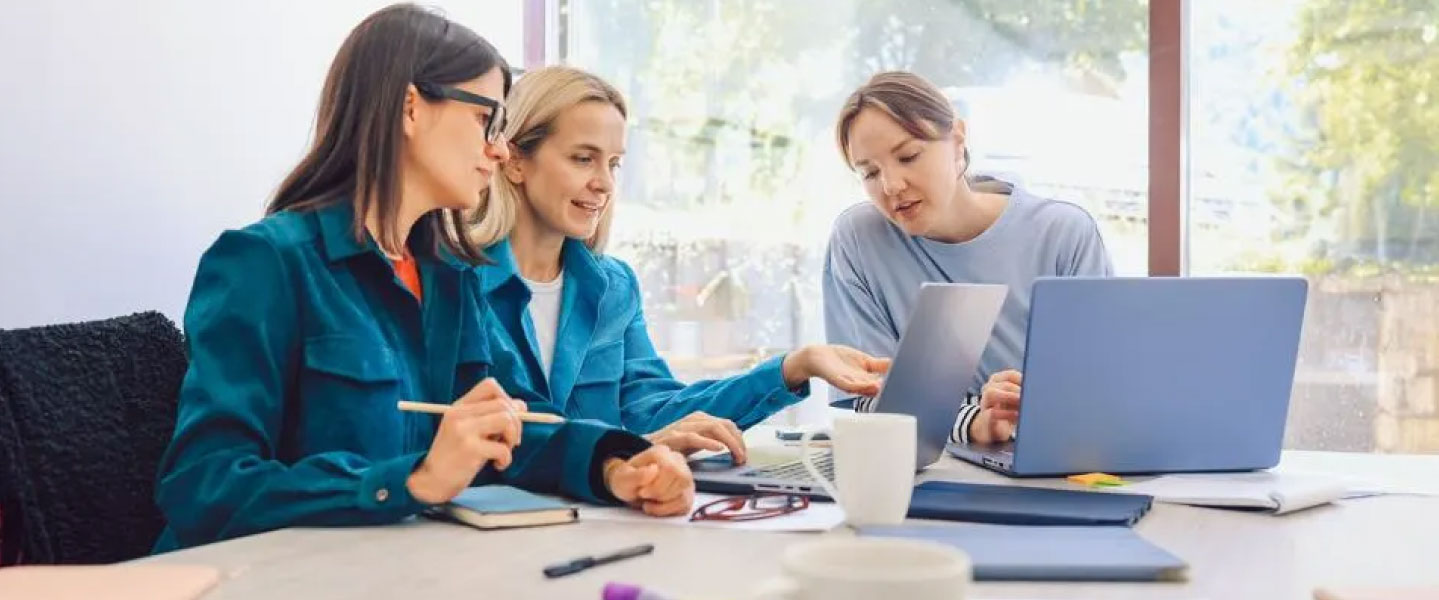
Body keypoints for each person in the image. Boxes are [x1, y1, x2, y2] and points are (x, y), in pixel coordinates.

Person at [153, 4, 692, 552]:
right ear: (411, 107)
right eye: (486, 119)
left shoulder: (450, 278)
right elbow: (203, 486)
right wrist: (411, 482)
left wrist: (616, 465)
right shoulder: (263, 264)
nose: (499, 150)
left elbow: (515, 425)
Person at [470, 66, 890, 463]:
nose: (605, 182)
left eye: (613, 163)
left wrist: (794, 366)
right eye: (583, 158)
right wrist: (626, 453)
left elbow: (657, 410)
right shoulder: (457, 281)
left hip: (602, 520)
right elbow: (506, 434)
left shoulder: (613, 287)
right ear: (515, 161)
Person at [824, 70, 1113, 446]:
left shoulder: (1062, 234)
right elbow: (866, 395)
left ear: (957, 139)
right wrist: (975, 421)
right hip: (922, 474)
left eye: (909, 156)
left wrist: (1006, 411)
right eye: (870, 173)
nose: (891, 185)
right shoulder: (859, 241)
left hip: (1053, 464)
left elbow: (1099, 392)